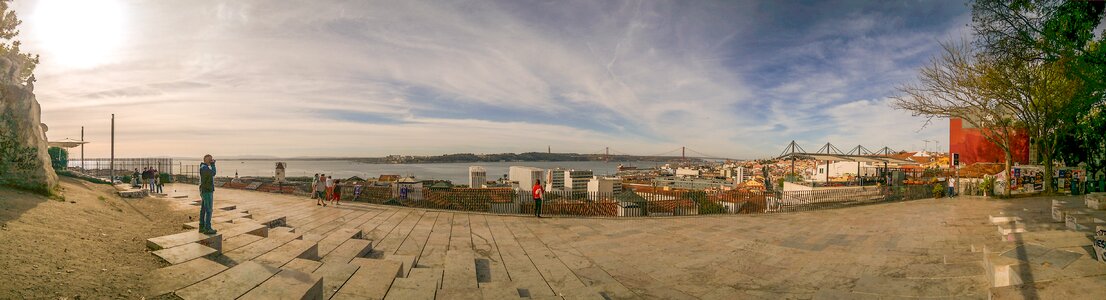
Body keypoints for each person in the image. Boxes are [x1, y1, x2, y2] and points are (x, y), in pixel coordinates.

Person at [198, 155, 217, 234]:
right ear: (207, 160)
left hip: (204, 190)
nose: (212, 160)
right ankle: (207, 228)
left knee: (203, 209)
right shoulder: (205, 168)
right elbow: (213, 173)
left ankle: (201, 226)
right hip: (207, 191)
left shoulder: (203, 167)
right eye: (210, 159)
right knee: (209, 210)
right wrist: (213, 165)